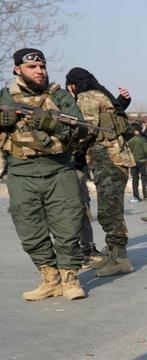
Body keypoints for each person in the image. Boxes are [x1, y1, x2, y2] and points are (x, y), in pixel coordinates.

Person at [0, 48, 86, 300]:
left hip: (59, 169)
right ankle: (50, 278)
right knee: (28, 227)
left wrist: (48, 122)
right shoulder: (5, 96)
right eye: (32, 68)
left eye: (42, 67)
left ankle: (70, 277)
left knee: (67, 224)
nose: (39, 71)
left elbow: (81, 130)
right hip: (20, 171)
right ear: (18, 70)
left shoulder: (58, 95)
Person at [65, 67, 135, 277]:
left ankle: (120, 259)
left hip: (108, 159)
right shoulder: (100, 94)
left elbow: (86, 129)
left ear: (72, 85)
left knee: (109, 211)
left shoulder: (86, 97)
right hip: (113, 158)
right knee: (109, 208)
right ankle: (112, 255)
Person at [126, 124, 147, 202]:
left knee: (135, 179)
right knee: (144, 178)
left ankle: (136, 196)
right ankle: (145, 195)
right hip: (142, 161)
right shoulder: (143, 140)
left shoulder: (130, 141)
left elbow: (127, 151)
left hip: (133, 162)